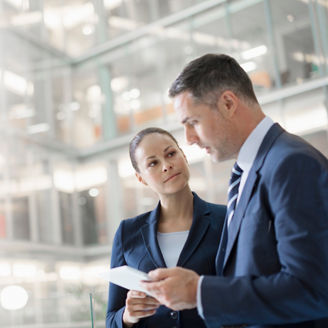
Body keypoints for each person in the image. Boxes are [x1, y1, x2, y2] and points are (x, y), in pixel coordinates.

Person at [140, 54, 328, 328]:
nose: (189, 139)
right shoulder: (248, 172)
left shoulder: (291, 163)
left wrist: (198, 292)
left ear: (228, 103)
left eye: (192, 122)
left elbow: (313, 288)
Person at [106, 127, 226, 328]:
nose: (166, 166)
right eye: (153, 163)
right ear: (141, 178)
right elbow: (111, 319)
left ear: (184, 156)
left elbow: (244, 293)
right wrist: (128, 315)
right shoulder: (128, 232)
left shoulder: (226, 219)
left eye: (171, 154)